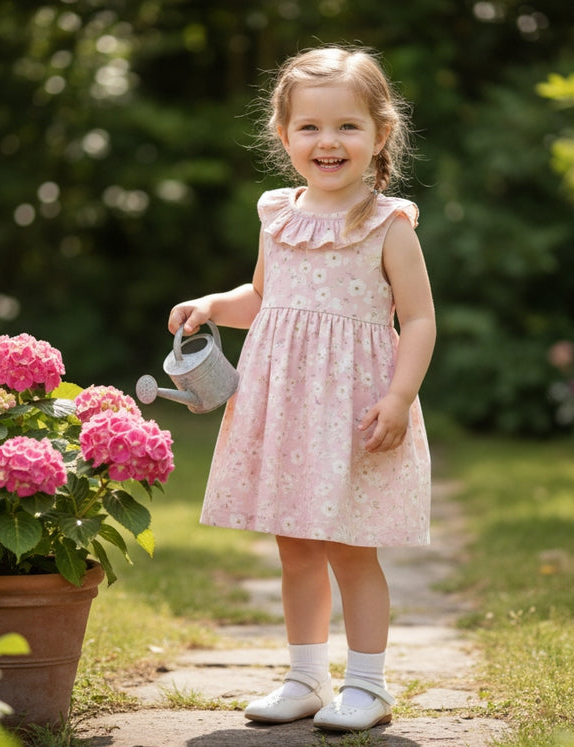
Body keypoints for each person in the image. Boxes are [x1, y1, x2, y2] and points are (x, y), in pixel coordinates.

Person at [167, 45, 435, 733]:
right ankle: (306, 674)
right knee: (295, 547)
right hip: (285, 408)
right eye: (310, 127)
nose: (328, 141)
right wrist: (209, 305)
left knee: (351, 544)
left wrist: (400, 397)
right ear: (284, 135)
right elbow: (261, 296)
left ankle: (369, 684)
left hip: (352, 410)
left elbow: (421, 318)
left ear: (380, 134)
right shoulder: (277, 215)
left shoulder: (388, 225)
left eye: (347, 126)